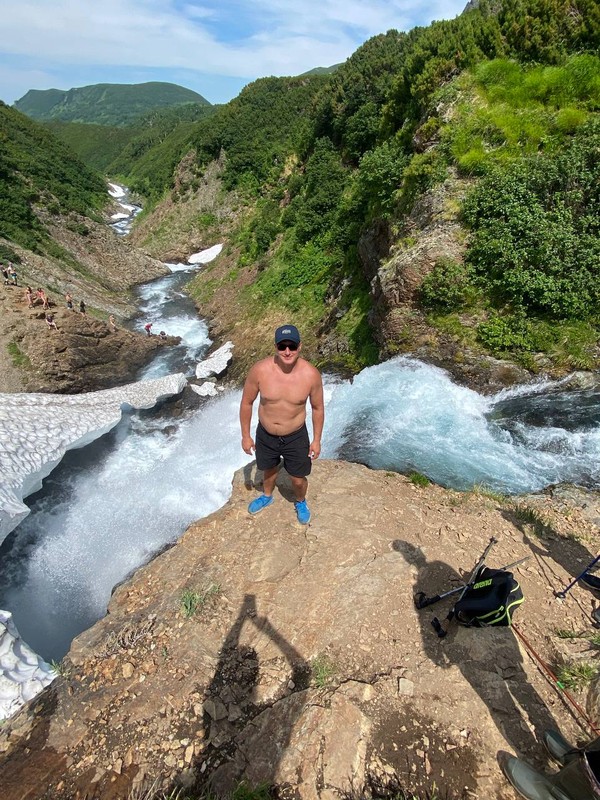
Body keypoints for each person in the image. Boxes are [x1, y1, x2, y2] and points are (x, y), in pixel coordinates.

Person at [239, 324, 324, 525]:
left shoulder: (311, 375)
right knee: (268, 469)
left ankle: (300, 501)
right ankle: (267, 496)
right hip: (266, 434)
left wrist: (317, 440)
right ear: (276, 346)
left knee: (297, 478)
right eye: (282, 346)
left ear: (299, 346)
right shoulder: (260, 370)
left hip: (295, 435)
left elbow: (318, 408)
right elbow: (246, 402)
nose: (287, 351)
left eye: (292, 346)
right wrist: (246, 436)